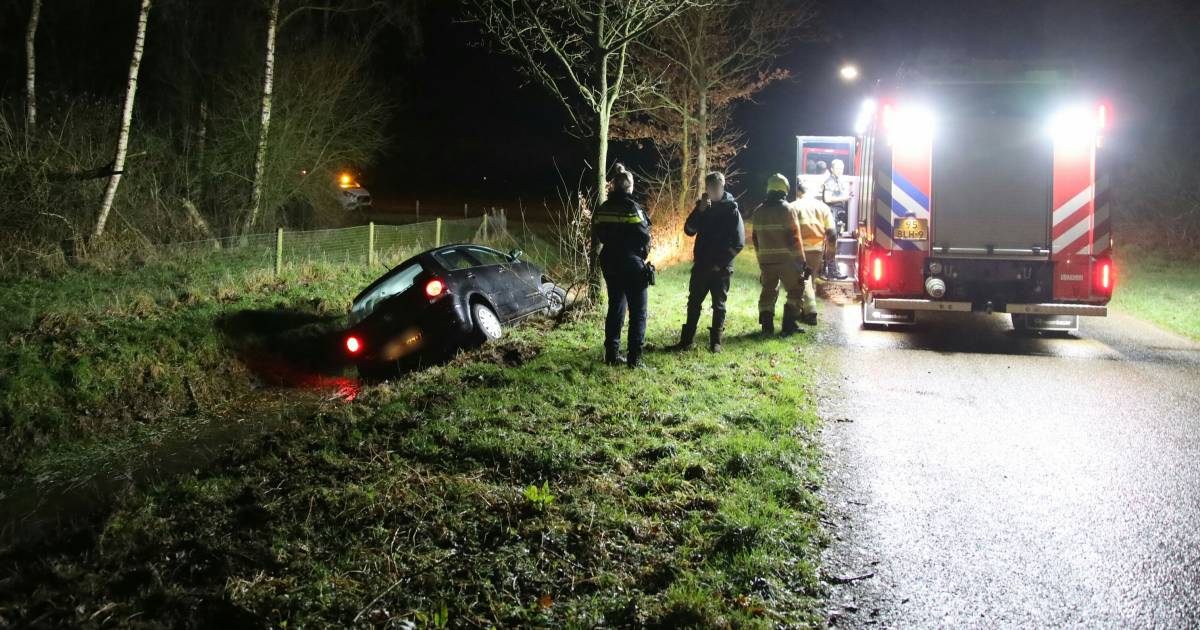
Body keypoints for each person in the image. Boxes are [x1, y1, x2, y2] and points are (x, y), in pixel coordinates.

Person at [672, 172, 745, 353]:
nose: (712, 192)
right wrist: (700, 211)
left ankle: (716, 343)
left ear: (722, 187)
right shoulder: (702, 207)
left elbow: (739, 242)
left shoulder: (731, 209)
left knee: (719, 305)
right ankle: (687, 341)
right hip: (702, 264)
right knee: (694, 301)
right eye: (709, 188)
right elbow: (689, 230)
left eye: (715, 188)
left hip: (721, 268)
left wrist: (720, 263)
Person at [592, 163, 652, 368]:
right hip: (631, 262)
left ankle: (612, 354)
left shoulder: (603, 208)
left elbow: (599, 233)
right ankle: (634, 358)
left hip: (609, 261)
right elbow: (645, 237)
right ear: (630, 188)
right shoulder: (634, 209)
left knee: (616, 307)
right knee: (638, 312)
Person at [752, 173, 807, 337]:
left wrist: (761, 260)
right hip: (786, 262)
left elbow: (755, 240)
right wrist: (802, 262)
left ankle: (766, 327)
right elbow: (795, 238)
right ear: (785, 190)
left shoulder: (758, 211)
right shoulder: (787, 210)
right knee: (796, 290)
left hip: (766, 262)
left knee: (768, 292)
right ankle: (788, 326)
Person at [791, 180, 837, 325]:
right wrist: (831, 249)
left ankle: (810, 312)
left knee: (803, 280)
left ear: (799, 192)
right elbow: (832, 232)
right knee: (810, 279)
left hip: (798, 250)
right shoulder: (823, 207)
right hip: (816, 250)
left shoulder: (793, 207)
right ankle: (804, 311)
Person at [822, 159, 851, 231]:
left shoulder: (837, 180)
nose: (840, 171)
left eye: (841, 169)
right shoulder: (830, 181)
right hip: (832, 213)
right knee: (833, 236)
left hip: (837, 213)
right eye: (837, 168)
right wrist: (844, 198)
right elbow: (827, 199)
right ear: (832, 169)